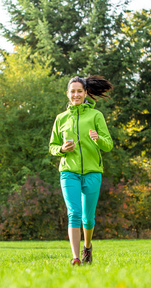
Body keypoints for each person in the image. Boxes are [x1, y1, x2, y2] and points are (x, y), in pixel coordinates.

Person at [49, 75, 113, 265]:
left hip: (93, 171)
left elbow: (108, 145)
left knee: (88, 219)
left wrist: (98, 138)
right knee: (74, 213)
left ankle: (87, 247)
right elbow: (52, 146)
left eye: (79, 91)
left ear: (85, 93)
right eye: (72, 91)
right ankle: (76, 257)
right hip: (69, 171)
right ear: (67, 94)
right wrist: (61, 149)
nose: (76, 94)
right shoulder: (61, 119)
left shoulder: (96, 116)